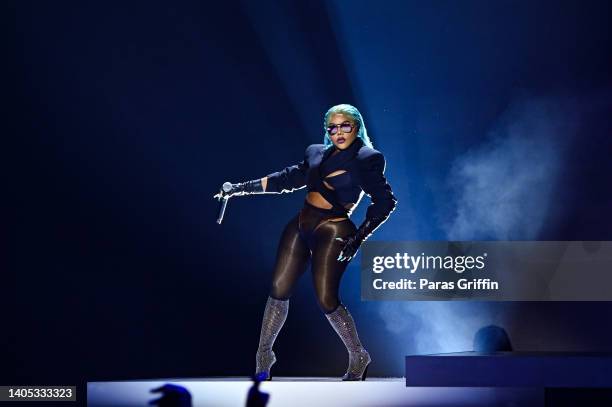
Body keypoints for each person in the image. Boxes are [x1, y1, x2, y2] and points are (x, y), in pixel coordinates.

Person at [215, 104, 397, 381]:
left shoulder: (366, 158)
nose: (338, 132)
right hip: (303, 222)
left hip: (335, 227)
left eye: (345, 125)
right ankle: (264, 355)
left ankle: (358, 354)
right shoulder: (316, 153)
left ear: (357, 127)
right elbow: (286, 179)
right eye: (332, 127)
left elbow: (385, 202)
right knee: (278, 288)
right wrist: (238, 190)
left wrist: (359, 237)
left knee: (326, 297)